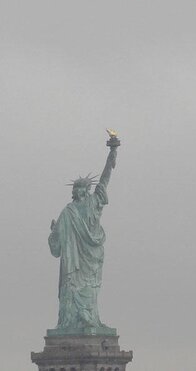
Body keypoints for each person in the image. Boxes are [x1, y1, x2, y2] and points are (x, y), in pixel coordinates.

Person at [48, 132, 119, 332]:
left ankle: (91, 320)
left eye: (81, 188)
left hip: (90, 256)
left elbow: (105, 179)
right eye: (76, 188)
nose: (77, 191)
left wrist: (112, 153)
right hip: (73, 260)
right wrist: (55, 231)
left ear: (86, 190)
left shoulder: (94, 202)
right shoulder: (68, 211)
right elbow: (56, 242)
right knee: (71, 289)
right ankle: (70, 323)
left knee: (90, 290)